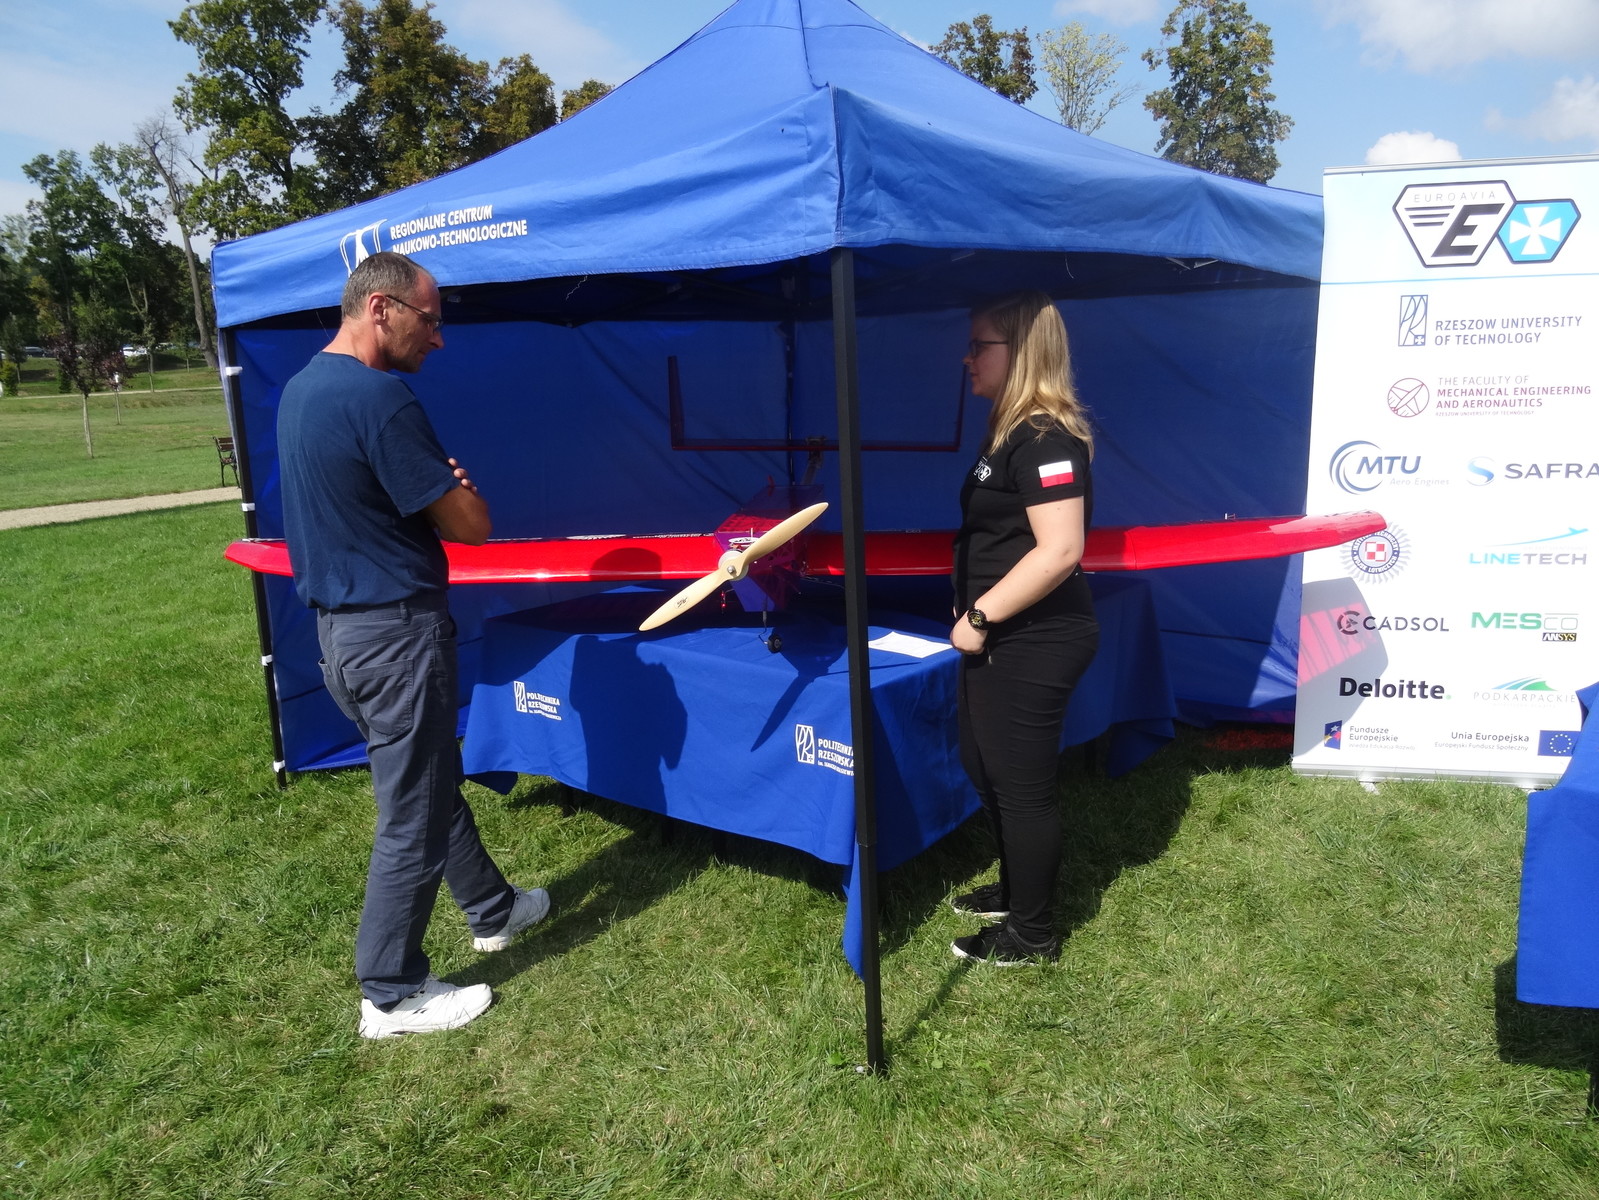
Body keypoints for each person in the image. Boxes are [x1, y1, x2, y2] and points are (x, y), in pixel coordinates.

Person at [277, 251, 549, 1037]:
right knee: (412, 816)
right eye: (429, 320)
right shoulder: (380, 398)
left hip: (341, 639)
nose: (438, 338)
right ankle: (391, 992)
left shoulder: (302, 389)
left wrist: (433, 490)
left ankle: (492, 907)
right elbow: (472, 527)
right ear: (382, 309)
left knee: (427, 782)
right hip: (394, 635)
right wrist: (454, 490)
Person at [947, 291, 1099, 966]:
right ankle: (1015, 890)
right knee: (984, 768)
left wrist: (981, 616)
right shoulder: (1009, 433)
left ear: (1021, 351)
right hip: (1001, 633)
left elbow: (1060, 550)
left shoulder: (1044, 440)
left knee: (1020, 787)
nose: (967, 358)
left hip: (1034, 637)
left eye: (979, 345)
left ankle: (1031, 935)